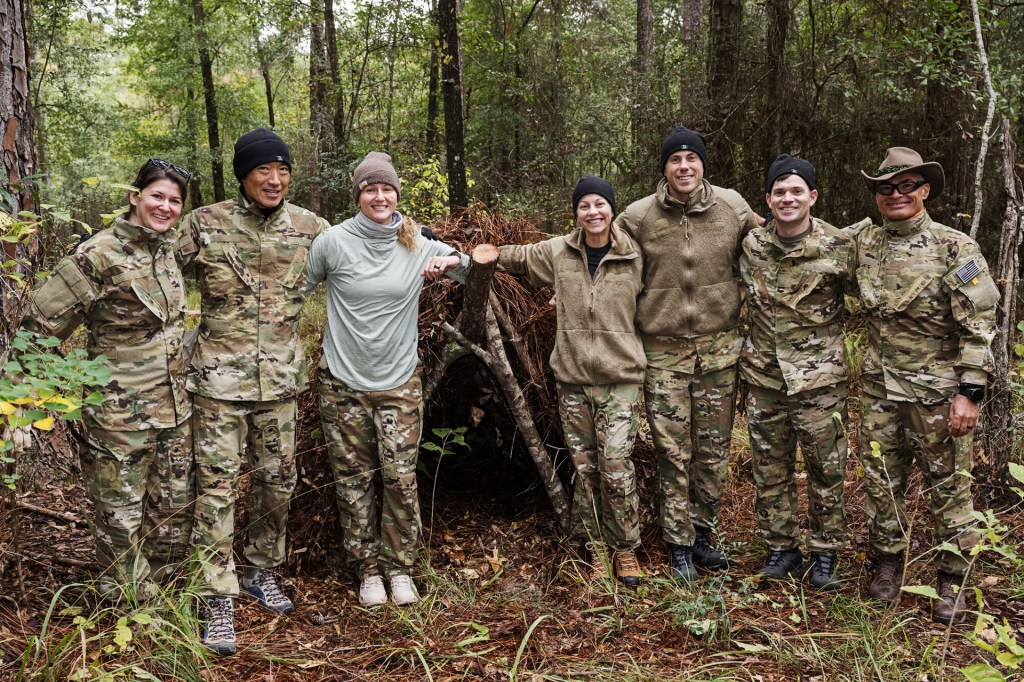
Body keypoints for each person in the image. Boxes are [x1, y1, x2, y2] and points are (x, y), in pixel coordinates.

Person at [181, 129, 330, 655]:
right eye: (264, 170)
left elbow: (367, 248)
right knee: (216, 488)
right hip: (218, 385)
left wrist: (427, 246)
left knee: (277, 483)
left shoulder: (312, 228)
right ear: (244, 175)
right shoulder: (204, 223)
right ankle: (215, 591)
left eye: (283, 170)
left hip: (280, 383)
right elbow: (155, 267)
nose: (275, 179)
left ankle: (262, 569)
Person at [21, 159, 194, 601]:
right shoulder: (97, 254)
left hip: (174, 408)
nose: (165, 206)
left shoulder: (169, 249)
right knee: (120, 515)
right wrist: (25, 401)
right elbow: (38, 329)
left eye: (175, 201)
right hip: (119, 413)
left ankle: (165, 598)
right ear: (135, 198)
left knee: (172, 511)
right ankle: (128, 606)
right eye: (157, 196)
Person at [307, 152, 468, 607]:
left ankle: (399, 569)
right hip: (342, 383)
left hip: (398, 383)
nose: (379, 196)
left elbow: (473, 272)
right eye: (369, 189)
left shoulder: (417, 241)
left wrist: (450, 259)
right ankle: (367, 570)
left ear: (397, 193)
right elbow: (297, 290)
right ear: (357, 195)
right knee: (353, 480)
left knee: (399, 479)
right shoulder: (332, 242)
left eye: (386, 189)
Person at [855, 147, 998, 624]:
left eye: (906, 186)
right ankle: (889, 565)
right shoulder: (863, 243)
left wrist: (970, 391)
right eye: (885, 187)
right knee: (882, 485)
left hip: (938, 394)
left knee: (950, 489)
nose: (895, 195)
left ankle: (952, 581)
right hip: (879, 390)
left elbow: (978, 322)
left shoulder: (954, 247)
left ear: (924, 191)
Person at [615, 126, 760, 580]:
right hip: (663, 354)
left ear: (702, 165)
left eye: (691, 159)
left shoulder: (732, 206)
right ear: (664, 167)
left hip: (719, 353)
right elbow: (598, 249)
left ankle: (703, 534)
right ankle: (678, 544)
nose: (684, 167)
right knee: (672, 452)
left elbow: (777, 237)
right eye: (675, 160)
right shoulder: (638, 216)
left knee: (713, 452)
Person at [499, 176, 645, 587]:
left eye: (600, 204)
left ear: (612, 209)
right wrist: (459, 250)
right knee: (586, 468)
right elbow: (517, 257)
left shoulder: (635, 254)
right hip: (574, 379)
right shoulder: (559, 252)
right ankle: (595, 546)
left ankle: (626, 548)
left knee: (616, 464)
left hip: (621, 379)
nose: (593, 212)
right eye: (584, 206)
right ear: (576, 212)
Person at [739, 155, 855, 590]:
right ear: (768, 200)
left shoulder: (840, 247)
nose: (788, 199)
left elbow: (876, 298)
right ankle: (781, 549)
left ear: (812, 196)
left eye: (796, 191)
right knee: (770, 468)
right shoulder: (752, 245)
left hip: (820, 382)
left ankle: (825, 553)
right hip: (765, 379)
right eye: (779, 192)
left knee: (826, 469)